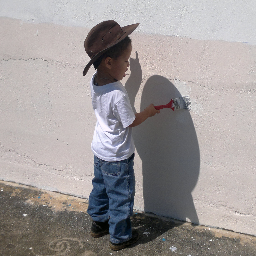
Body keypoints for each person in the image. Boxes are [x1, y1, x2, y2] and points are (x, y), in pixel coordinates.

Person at [83, 20, 160, 251]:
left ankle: (98, 224)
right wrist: (147, 112)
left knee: (100, 188)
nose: (127, 66)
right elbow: (131, 121)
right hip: (117, 156)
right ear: (108, 62)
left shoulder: (95, 81)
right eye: (125, 61)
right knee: (121, 196)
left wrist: (135, 72)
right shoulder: (117, 92)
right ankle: (120, 237)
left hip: (100, 149)